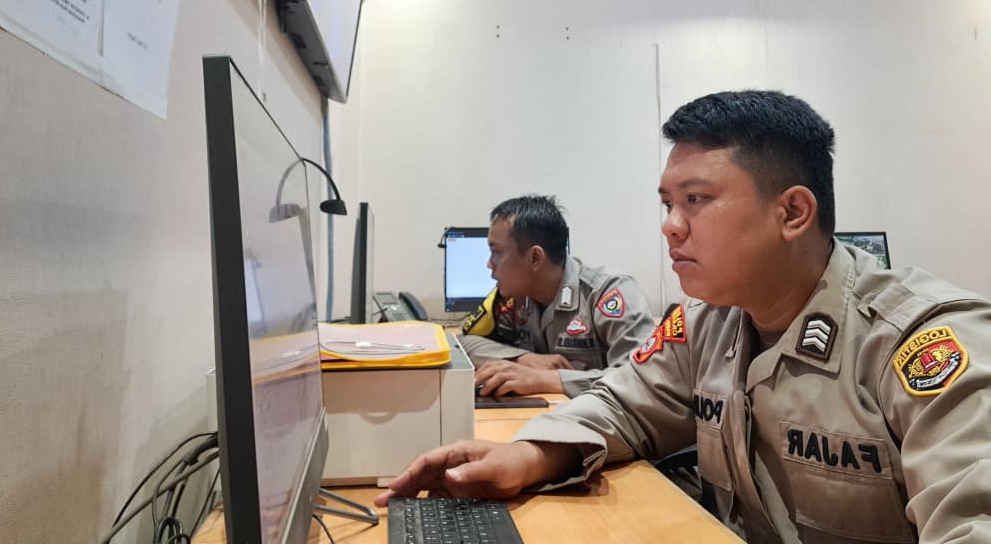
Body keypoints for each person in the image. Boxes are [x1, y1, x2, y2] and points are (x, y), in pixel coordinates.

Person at [376, 91, 991, 543]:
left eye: (696, 200)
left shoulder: (922, 345)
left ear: (793, 213)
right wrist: (526, 458)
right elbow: (621, 403)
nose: (670, 226)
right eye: (668, 203)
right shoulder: (707, 323)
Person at [458, 195, 656, 398]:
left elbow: (641, 378)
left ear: (535, 258)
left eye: (496, 252)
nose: (489, 264)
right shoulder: (514, 298)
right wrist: (522, 358)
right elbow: (460, 345)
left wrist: (548, 379)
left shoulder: (607, 294)